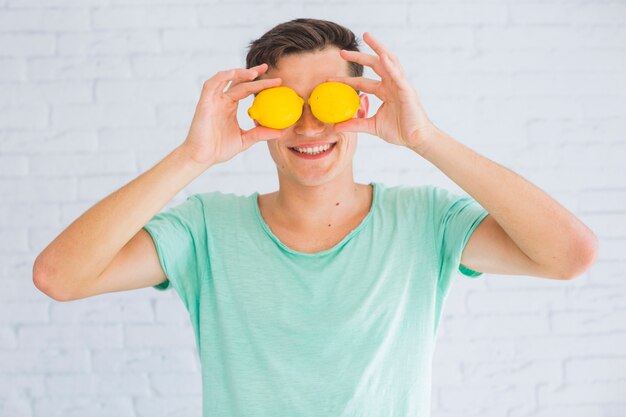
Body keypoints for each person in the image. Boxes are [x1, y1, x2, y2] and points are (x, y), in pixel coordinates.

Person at [33, 18, 598, 417]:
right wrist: (194, 156)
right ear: (255, 111)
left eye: (327, 100)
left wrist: (425, 138)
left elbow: (571, 255)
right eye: (287, 106)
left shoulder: (426, 220)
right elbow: (59, 277)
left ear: (362, 104)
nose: (308, 128)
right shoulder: (204, 229)